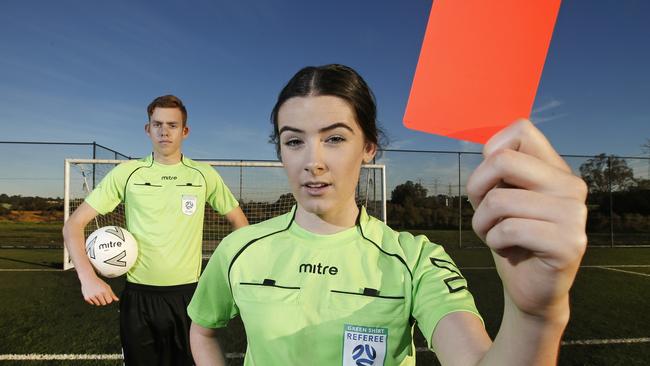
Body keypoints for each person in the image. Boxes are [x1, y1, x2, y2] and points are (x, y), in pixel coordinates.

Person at [187, 65, 588, 365]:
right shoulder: (239, 248)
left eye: (335, 138)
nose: (314, 162)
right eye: (294, 141)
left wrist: (535, 317)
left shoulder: (416, 260)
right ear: (281, 152)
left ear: (369, 148)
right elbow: (202, 331)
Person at [63, 94, 249, 366]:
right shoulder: (127, 173)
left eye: (172, 125)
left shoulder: (203, 174)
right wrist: (87, 278)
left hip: (190, 297)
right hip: (139, 298)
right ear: (147, 129)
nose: (164, 131)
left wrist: (227, 274)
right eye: (157, 124)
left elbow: (241, 225)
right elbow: (73, 225)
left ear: (184, 131)